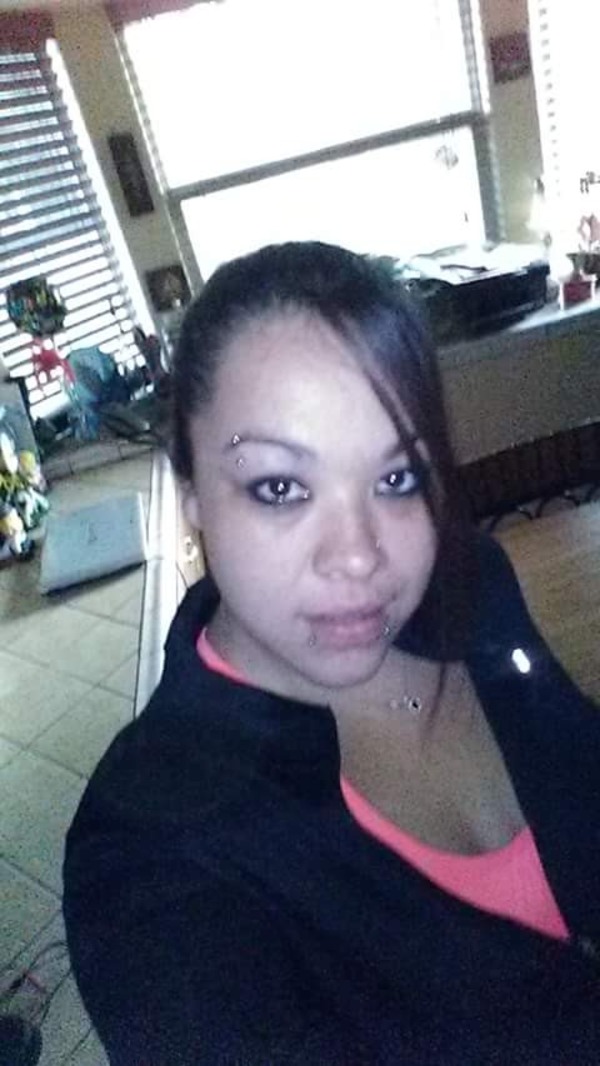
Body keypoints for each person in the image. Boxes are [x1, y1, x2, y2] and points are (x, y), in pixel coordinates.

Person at [63, 242, 600, 1065]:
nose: (358, 557)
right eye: (280, 487)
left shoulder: (471, 586)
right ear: (193, 493)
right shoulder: (150, 856)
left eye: (398, 479)